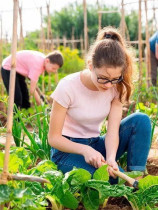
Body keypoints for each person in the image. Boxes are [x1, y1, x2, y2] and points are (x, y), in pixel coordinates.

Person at [48, 27, 151, 182]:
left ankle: (137, 177)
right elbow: (54, 138)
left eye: (114, 79)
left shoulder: (117, 87)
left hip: (97, 145)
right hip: (67, 151)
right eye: (103, 78)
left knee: (141, 120)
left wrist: (110, 157)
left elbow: (112, 131)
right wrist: (85, 150)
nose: (109, 85)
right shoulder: (67, 86)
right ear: (91, 66)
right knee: (112, 180)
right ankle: (127, 184)